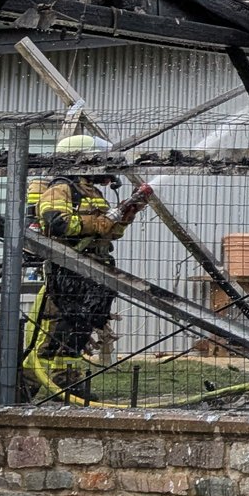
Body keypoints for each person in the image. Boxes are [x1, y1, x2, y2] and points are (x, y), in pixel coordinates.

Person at [33, 134, 151, 358]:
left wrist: (127, 215)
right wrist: (97, 223)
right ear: (82, 159)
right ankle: (49, 368)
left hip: (95, 265)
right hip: (69, 267)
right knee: (67, 321)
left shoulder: (92, 192)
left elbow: (108, 231)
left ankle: (66, 368)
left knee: (88, 318)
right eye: (99, 158)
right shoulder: (61, 188)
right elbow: (57, 224)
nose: (104, 165)